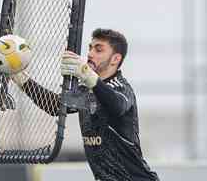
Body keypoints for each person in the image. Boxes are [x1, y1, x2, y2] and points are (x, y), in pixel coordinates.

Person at [10, 28, 160, 181]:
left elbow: (116, 105)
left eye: (98, 49)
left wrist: (87, 74)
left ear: (115, 59)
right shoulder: (86, 91)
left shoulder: (121, 88)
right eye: (90, 48)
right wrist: (19, 77)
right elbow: (55, 106)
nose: (90, 54)